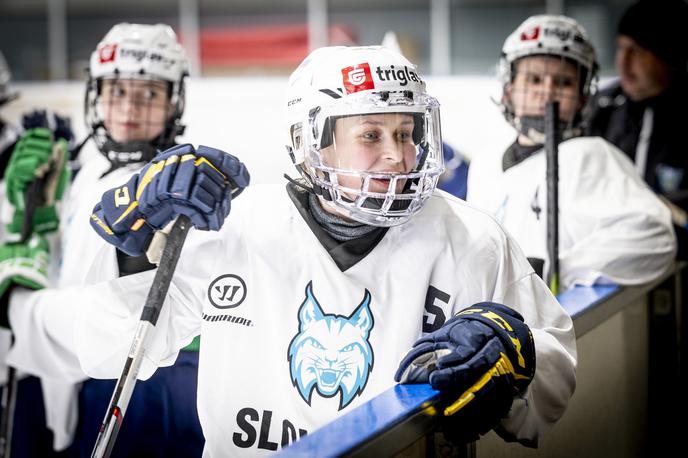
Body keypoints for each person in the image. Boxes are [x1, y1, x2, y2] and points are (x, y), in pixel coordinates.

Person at [5, 45, 575, 454]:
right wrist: (127, 252)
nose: (398, 155)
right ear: (310, 142)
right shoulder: (238, 228)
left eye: (406, 133)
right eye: (371, 135)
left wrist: (516, 354)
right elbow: (115, 341)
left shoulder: (471, 239)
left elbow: (554, 367)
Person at [0, 24, 204, 457]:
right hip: (73, 366)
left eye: (148, 94)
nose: (129, 107)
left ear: (173, 102)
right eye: (117, 91)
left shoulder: (179, 183)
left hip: (143, 380)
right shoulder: (85, 171)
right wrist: (26, 214)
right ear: (96, 96)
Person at [467, 15, 676, 290]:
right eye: (534, 79)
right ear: (509, 90)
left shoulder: (591, 156)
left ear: (581, 98)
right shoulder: (485, 162)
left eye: (563, 82)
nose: (548, 92)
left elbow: (654, 237)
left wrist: (555, 268)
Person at [586, 0, 688, 258]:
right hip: (610, 260)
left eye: (638, 50)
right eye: (620, 48)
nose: (623, 61)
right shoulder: (601, 109)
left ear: (669, 56)